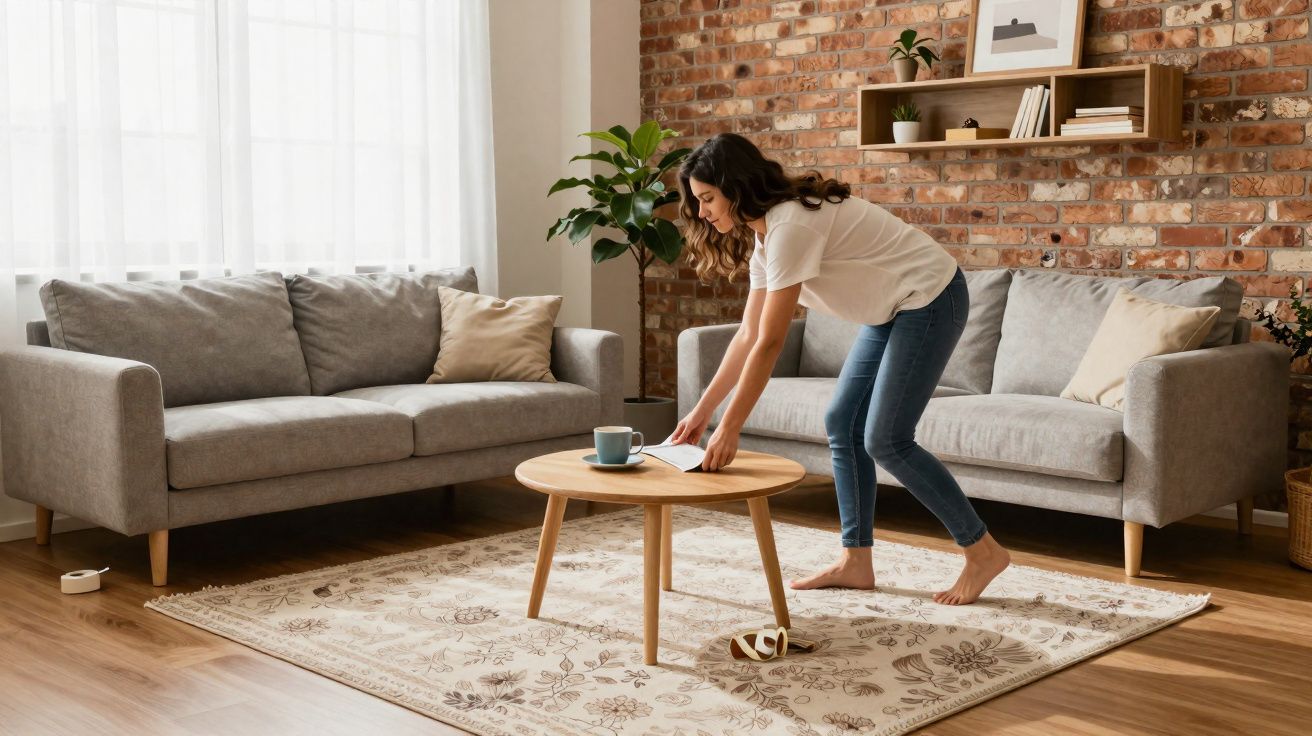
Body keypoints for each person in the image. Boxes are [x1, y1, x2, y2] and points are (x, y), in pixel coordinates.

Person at [667, 133, 1010, 605]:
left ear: (736, 186)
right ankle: (855, 561)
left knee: (886, 439)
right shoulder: (766, 237)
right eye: (698, 201)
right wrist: (702, 412)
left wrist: (730, 427)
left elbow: (770, 343)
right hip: (892, 309)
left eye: (708, 198)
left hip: (930, 297)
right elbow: (747, 335)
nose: (703, 212)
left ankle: (982, 551)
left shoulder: (791, 227)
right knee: (843, 422)